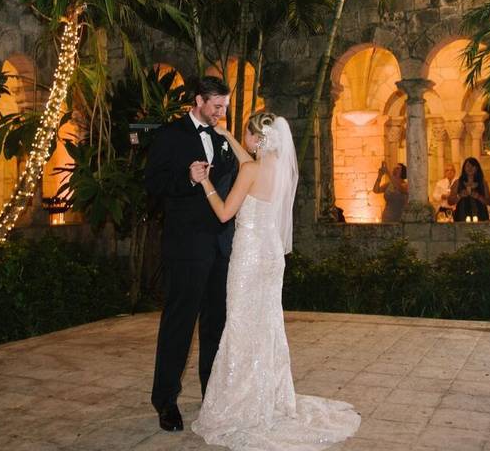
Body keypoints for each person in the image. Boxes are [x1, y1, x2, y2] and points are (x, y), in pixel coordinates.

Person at [190, 112, 360, 450]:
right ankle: (269, 395)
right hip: (271, 256)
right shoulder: (278, 167)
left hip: (249, 256)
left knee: (240, 323)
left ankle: (240, 401)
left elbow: (225, 213)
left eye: (246, 136)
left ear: (257, 139)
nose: (246, 142)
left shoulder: (251, 171)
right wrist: (225, 135)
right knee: (266, 324)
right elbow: (247, 159)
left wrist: (204, 182)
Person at [144, 76, 239, 432]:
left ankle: (211, 396)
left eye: (224, 107)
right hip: (185, 248)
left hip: (219, 247)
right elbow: (152, 185)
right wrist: (186, 178)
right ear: (198, 100)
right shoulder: (170, 136)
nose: (220, 113)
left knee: (215, 325)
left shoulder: (221, 138)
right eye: (216, 106)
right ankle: (165, 401)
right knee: (178, 326)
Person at [449, 157, 490, 222]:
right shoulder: (457, 182)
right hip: (462, 216)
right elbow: (450, 202)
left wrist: (478, 197)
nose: (470, 168)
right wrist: (459, 196)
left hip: (480, 216)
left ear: (477, 168)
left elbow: (489, 202)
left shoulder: (483, 183)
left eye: (473, 166)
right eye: (468, 166)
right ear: (464, 168)